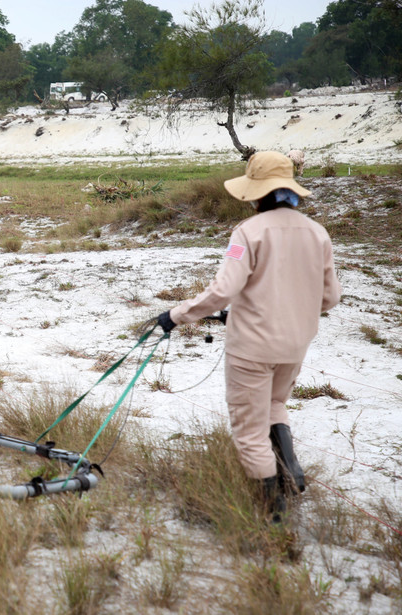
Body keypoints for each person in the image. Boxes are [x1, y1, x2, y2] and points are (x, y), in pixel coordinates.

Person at [155, 150, 340, 522]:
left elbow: (224, 290)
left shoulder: (248, 232)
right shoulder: (317, 232)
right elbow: (330, 297)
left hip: (252, 349)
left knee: (248, 429)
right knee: (274, 404)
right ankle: (292, 474)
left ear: (258, 193)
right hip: (296, 345)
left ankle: (272, 513)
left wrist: (176, 315)